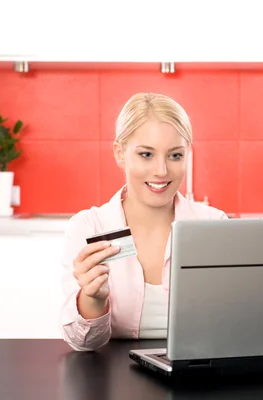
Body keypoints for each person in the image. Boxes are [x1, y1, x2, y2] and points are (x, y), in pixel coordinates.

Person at [59, 93, 228, 351]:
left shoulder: (214, 226)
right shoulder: (89, 227)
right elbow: (83, 344)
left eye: (175, 156)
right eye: (146, 154)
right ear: (120, 154)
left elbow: (228, 328)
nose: (161, 170)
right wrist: (93, 298)